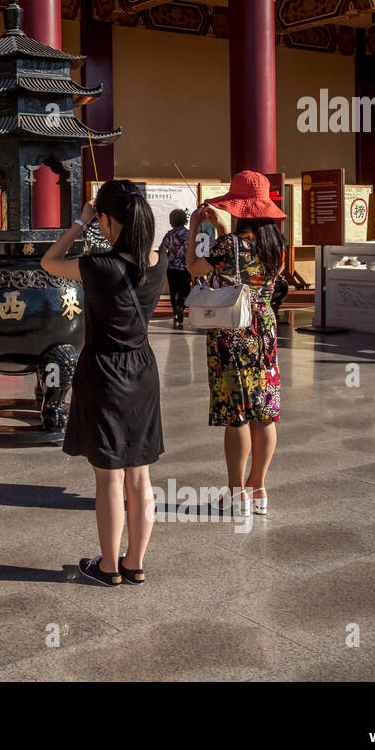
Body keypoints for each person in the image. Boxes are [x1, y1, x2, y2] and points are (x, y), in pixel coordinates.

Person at [42, 181, 165, 587]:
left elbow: (50, 260)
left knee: (109, 476)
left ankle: (108, 566)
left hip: (104, 371)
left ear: (109, 220)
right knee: (140, 475)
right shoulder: (157, 260)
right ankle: (135, 562)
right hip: (143, 370)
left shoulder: (98, 266)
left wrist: (81, 220)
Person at [187, 172, 287, 518]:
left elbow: (194, 268)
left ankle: (234, 494)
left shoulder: (227, 246)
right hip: (265, 332)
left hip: (233, 333)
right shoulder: (277, 244)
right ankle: (257, 487)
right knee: (265, 412)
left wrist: (194, 227)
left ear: (240, 209)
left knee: (238, 414)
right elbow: (248, 270)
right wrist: (225, 233)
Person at [158, 209, 191, 329]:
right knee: (184, 289)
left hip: (171, 267)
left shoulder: (169, 234)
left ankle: (175, 313)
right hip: (185, 267)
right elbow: (192, 250)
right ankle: (181, 307)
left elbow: (162, 249)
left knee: (173, 290)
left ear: (172, 221)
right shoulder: (189, 234)